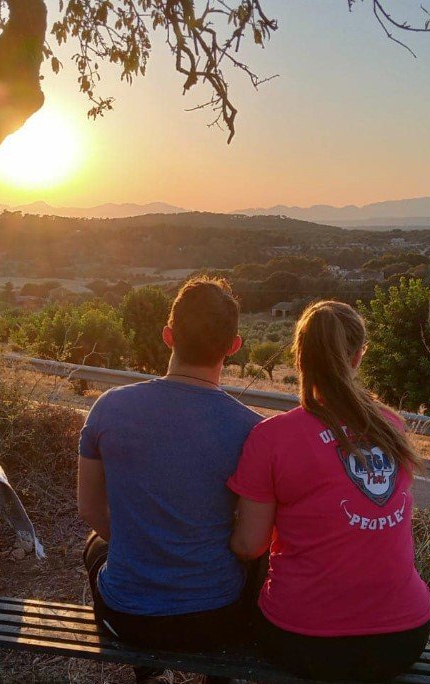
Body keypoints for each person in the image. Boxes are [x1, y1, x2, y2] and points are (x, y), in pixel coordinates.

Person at [228, 300, 430, 682]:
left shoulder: (271, 437)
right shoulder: (393, 426)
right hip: (404, 638)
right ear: (358, 357)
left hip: (304, 642)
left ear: (298, 358)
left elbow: (248, 546)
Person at [76, 277, 262, 684]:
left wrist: (134, 540)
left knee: (96, 546)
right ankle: (220, 677)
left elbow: (89, 508)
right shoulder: (252, 431)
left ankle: (146, 668)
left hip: (128, 618)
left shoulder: (108, 409)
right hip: (216, 619)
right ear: (233, 346)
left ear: (167, 336)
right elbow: (252, 541)